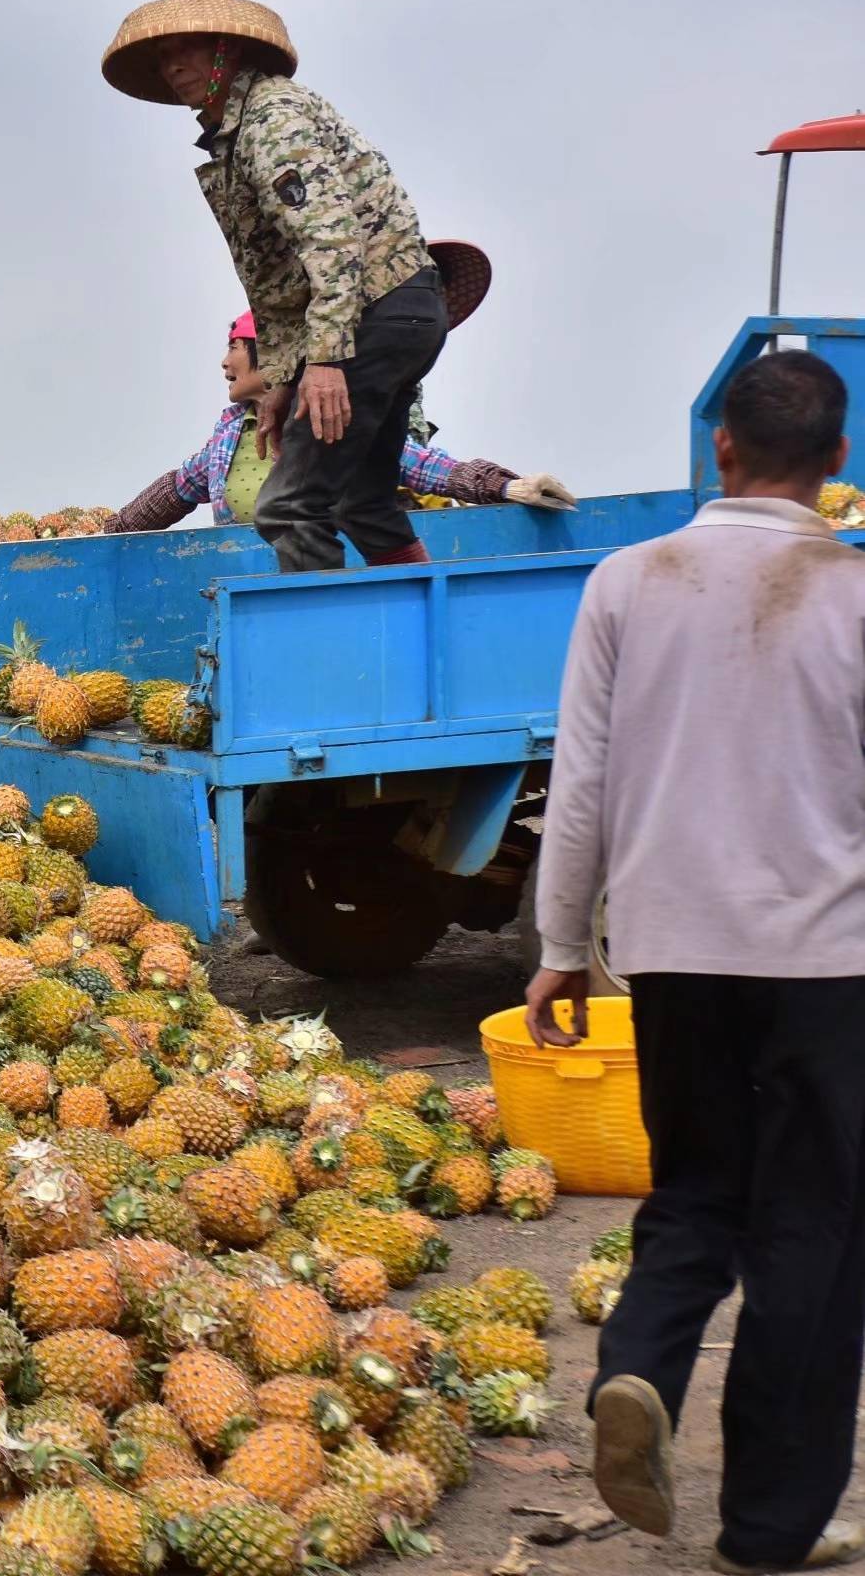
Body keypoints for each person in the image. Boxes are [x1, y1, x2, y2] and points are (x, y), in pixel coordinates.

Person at [526, 350, 865, 1575]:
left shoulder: (627, 582)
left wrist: (560, 947)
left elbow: (581, 785)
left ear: (720, 446)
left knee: (694, 1194)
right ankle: (770, 1528)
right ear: (837, 461)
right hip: (828, 963)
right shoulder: (857, 594)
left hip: (672, 955)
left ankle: (636, 1369)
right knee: (814, 1233)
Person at [102, 0, 449, 571]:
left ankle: (325, 630)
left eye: (189, 48)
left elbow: (331, 238)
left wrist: (327, 362)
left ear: (228, 50)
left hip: (375, 311)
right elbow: (281, 285)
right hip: (394, 313)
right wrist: (286, 376)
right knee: (361, 501)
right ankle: (426, 612)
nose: (174, 66)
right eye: (164, 54)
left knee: (289, 508)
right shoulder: (235, 136)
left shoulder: (271, 119)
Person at [109, 307, 576, 531]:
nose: (224, 361)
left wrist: (505, 486)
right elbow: (175, 490)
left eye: (234, 346)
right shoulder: (228, 438)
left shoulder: (328, 414)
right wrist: (107, 533)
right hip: (245, 596)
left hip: (330, 584)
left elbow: (420, 465)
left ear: (268, 352)